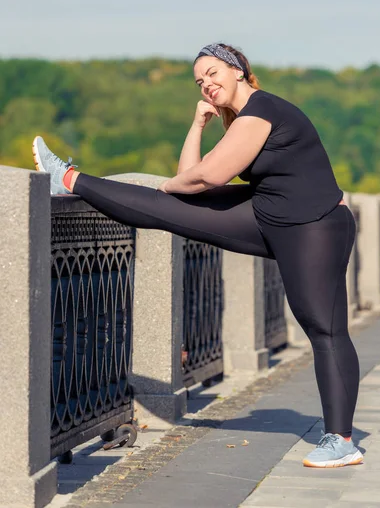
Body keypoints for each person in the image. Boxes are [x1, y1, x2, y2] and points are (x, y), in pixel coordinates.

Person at [32, 42, 362, 468]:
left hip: (314, 226)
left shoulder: (263, 110)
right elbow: (189, 176)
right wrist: (196, 127)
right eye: (199, 80)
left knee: (325, 329)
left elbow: (207, 177)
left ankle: (342, 440)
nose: (206, 84)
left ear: (238, 70)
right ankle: (69, 179)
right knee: (170, 212)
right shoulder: (242, 120)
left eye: (212, 73)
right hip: (270, 214)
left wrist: (163, 191)